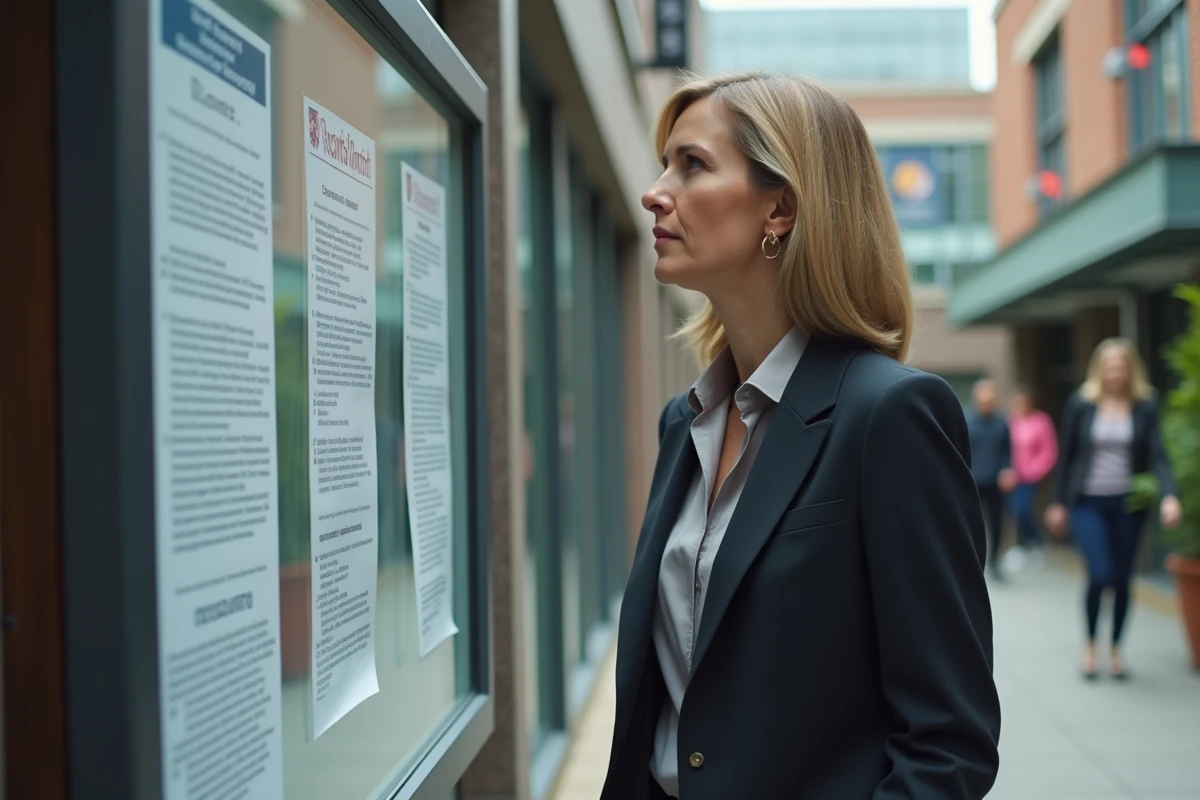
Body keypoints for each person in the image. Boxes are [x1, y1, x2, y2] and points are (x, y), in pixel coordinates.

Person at [600, 73, 1000, 800]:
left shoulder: (890, 416)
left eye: (692, 165)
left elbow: (950, 743)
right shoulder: (684, 422)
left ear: (779, 209)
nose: (654, 193)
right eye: (664, 165)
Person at [1045, 338, 1181, 680]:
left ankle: (1116, 649)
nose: (1115, 374)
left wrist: (1169, 496)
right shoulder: (1081, 404)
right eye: (1109, 368)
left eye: (1121, 368)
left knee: (1122, 579)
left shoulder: (1145, 405)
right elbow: (1068, 456)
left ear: (1131, 370)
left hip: (1129, 503)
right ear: (1099, 370)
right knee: (1100, 573)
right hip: (1087, 502)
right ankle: (1091, 645)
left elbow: (1158, 455)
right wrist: (1058, 503)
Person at [965, 379, 1018, 581]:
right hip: (973, 481)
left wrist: (1008, 470)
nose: (987, 404)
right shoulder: (967, 420)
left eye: (990, 400)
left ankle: (995, 562)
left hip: (997, 482)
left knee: (997, 525)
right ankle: (973, 564)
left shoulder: (1001, 422)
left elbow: (1007, 451)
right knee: (973, 524)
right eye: (983, 400)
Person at [1005, 388, 1058, 572]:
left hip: (1030, 476)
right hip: (1011, 477)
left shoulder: (1041, 421)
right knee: (1014, 511)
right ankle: (1023, 545)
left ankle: (1036, 542)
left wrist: (1034, 470)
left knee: (1022, 509)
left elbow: (1048, 451)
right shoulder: (1010, 422)